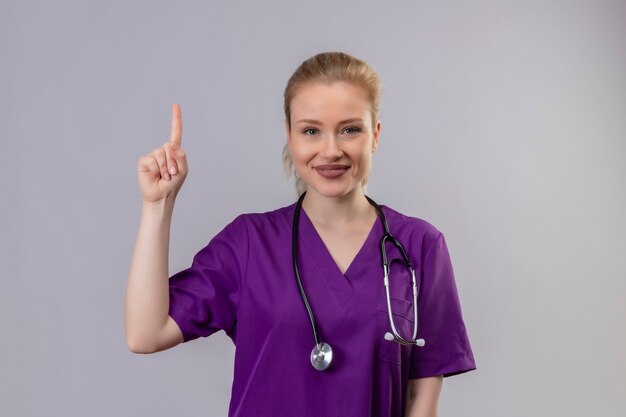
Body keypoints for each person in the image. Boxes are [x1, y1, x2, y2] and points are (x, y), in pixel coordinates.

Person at [125, 51, 476, 417]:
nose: (331, 150)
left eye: (350, 129)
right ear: (290, 138)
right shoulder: (249, 243)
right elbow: (145, 334)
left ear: (375, 135)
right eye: (311, 130)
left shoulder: (419, 246)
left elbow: (422, 400)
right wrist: (157, 206)